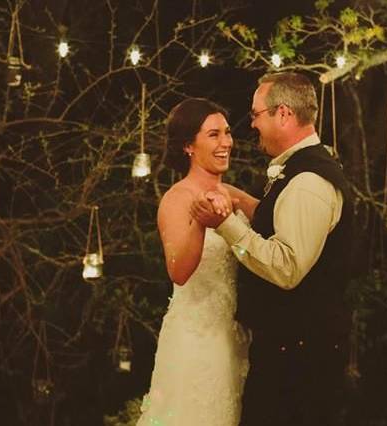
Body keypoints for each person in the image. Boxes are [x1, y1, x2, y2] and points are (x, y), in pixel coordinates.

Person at [191, 71, 354, 425]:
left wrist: (224, 225)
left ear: (283, 114)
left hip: (299, 363)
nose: (252, 125)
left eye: (256, 114)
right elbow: (282, 219)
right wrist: (242, 201)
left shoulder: (309, 181)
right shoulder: (299, 173)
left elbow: (286, 268)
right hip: (291, 353)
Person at [136, 98, 250, 426]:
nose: (226, 142)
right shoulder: (176, 199)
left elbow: (273, 219)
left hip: (234, 340)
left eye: (227, 133)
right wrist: (201, 220)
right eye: (214, 135)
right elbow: (178, 271)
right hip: (196, 341)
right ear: (188, 145)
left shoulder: (231, 193)